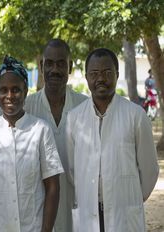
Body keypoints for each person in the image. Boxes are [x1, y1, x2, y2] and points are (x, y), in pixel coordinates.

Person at [66, 48, 159, 232]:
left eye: (107, 73)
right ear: (86, 77)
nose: (101, 78)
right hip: (88, 212)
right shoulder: (74, 118)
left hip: (124, 215)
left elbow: (149, 170)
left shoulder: (135, 116)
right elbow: (72, 169)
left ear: (117, 75)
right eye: (94, 73)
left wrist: (129, 197)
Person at [0, 56, 64, 232]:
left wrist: (45, 229)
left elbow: (53, 185)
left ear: (25, 91)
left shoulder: (40, 130)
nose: (9, 96)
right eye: (3, 90)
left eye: (16, 90)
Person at [25, 39, 87, 232]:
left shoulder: (85, 107)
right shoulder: (27, 108)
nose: (55, 70)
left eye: (61, 63)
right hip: (39, 211)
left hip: (78, 206)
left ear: (70, 67)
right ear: (41, 66)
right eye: (49, 63)